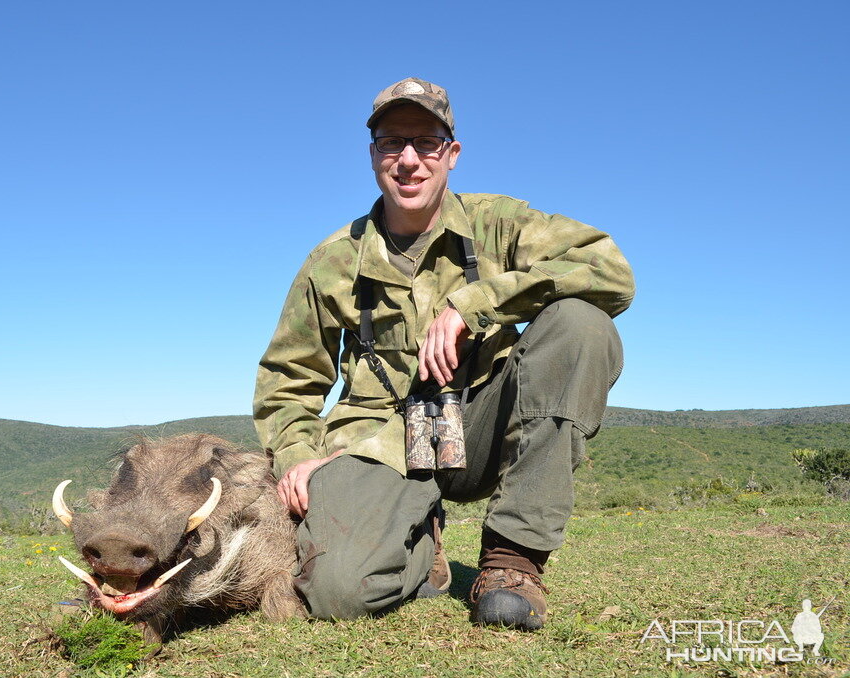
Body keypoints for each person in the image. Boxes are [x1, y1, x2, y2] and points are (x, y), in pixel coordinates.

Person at [253, 77, 634, 629]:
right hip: (379, 443)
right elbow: (288, 381)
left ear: (451, 154)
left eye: (425, 143)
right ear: (373, 155)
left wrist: (474, 304)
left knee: (581, 324)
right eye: (391, 143)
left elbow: (610, 271)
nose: (408, 160)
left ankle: (512, 563)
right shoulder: (332, 261)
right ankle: (418, 537)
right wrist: (295, 459)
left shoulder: (501, 224)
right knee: (336, 593)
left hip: (481, 427)